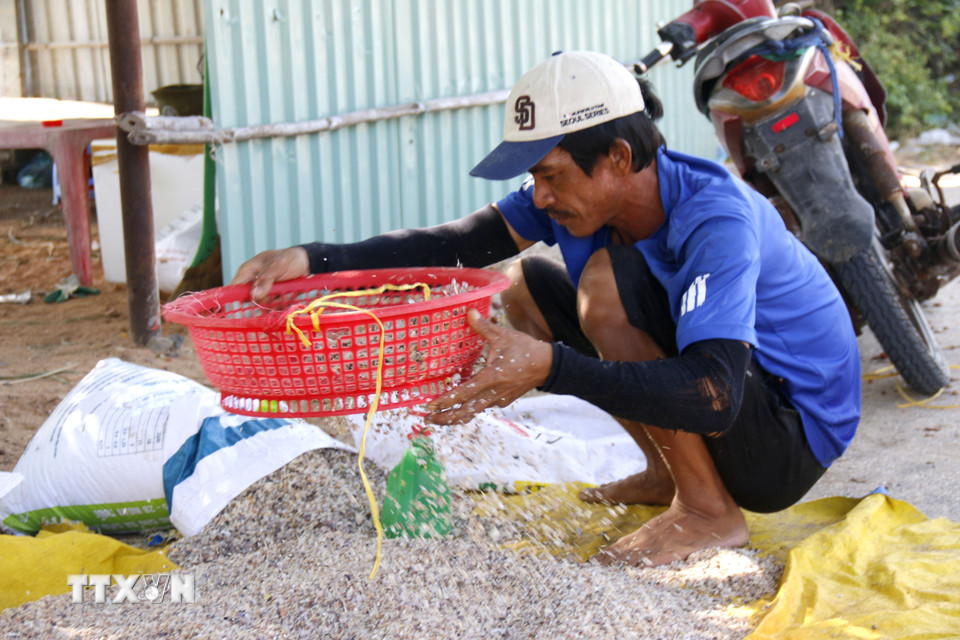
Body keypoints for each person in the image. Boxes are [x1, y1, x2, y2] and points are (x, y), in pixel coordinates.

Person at [231, 51, 861, 567]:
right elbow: (455, 244)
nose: (540, 194)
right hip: (734, 398)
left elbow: (715, 394)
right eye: (535, 177)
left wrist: (550, 368)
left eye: (552, 176)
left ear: (617, 158)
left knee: (607, 285)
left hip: (787, 436)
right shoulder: (587, 195)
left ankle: (707, 512)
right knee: (525, 282)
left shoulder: (714, 219)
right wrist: (313, 259)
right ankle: (666, 475)